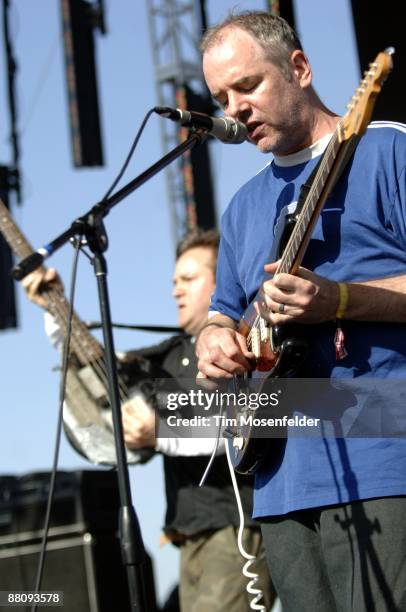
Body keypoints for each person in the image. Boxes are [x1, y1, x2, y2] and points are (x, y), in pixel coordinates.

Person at [196, 10, 406, 612]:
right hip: (277, 472)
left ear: (300, 67)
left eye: (248, 86)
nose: (234, 108)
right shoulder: (240, 209)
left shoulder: (385, 150)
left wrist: (339, 299)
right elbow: (222, 313)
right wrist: (215, 341)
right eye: (220, 97)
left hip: (380, 452)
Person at [23, 229, 274, 612]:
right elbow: (101, 372)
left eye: (189, 279)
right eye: (174, 281)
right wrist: (55, 308)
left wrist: (161, 433)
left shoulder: (244, 345)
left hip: (236, 531)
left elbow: (251, 421)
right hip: (187, 534)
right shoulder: (167, 355)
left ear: (223, 280)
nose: (176, 290)